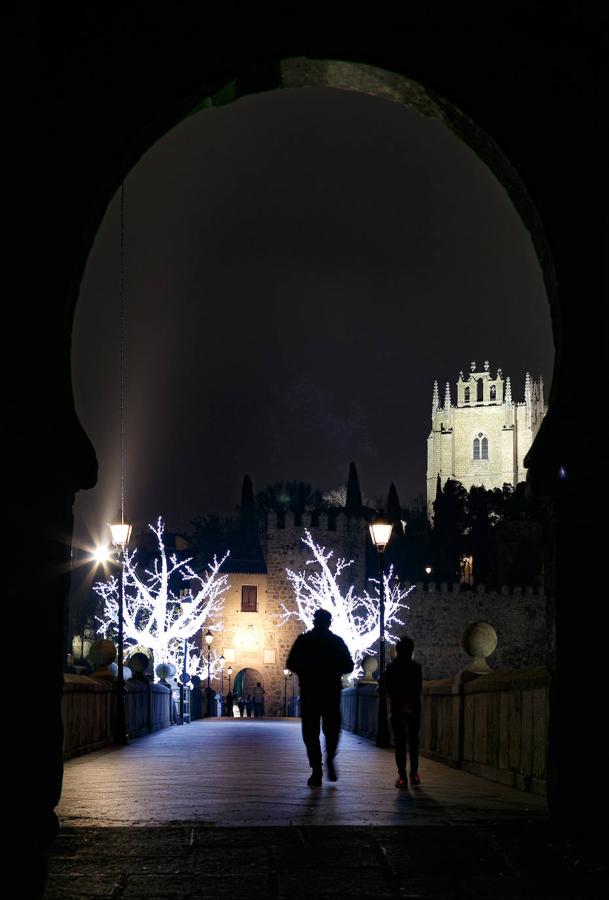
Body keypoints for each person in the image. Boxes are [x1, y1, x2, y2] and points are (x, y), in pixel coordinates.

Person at [286, 608, 353, 786]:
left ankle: (316, 769)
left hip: (310, 691)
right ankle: (330, 757)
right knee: (332, 729)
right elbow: (349, 666)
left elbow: (291, 663)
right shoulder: (337, 642)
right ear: (329, 623)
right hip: (331, 692)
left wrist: (305, 671)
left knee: (310, 732)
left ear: (314, 621)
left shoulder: (304, 641)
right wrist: (333, 668)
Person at [383, 635, 422, 788]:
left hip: (397, 709)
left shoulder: (391, 668)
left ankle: (402, 776)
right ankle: (414, 774)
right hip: (414, 709)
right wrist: (409, 704)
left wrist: (401, 704)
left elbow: (390, 689)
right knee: (413, 743)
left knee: (400, 744)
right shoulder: (416, 668)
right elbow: (417, 689)